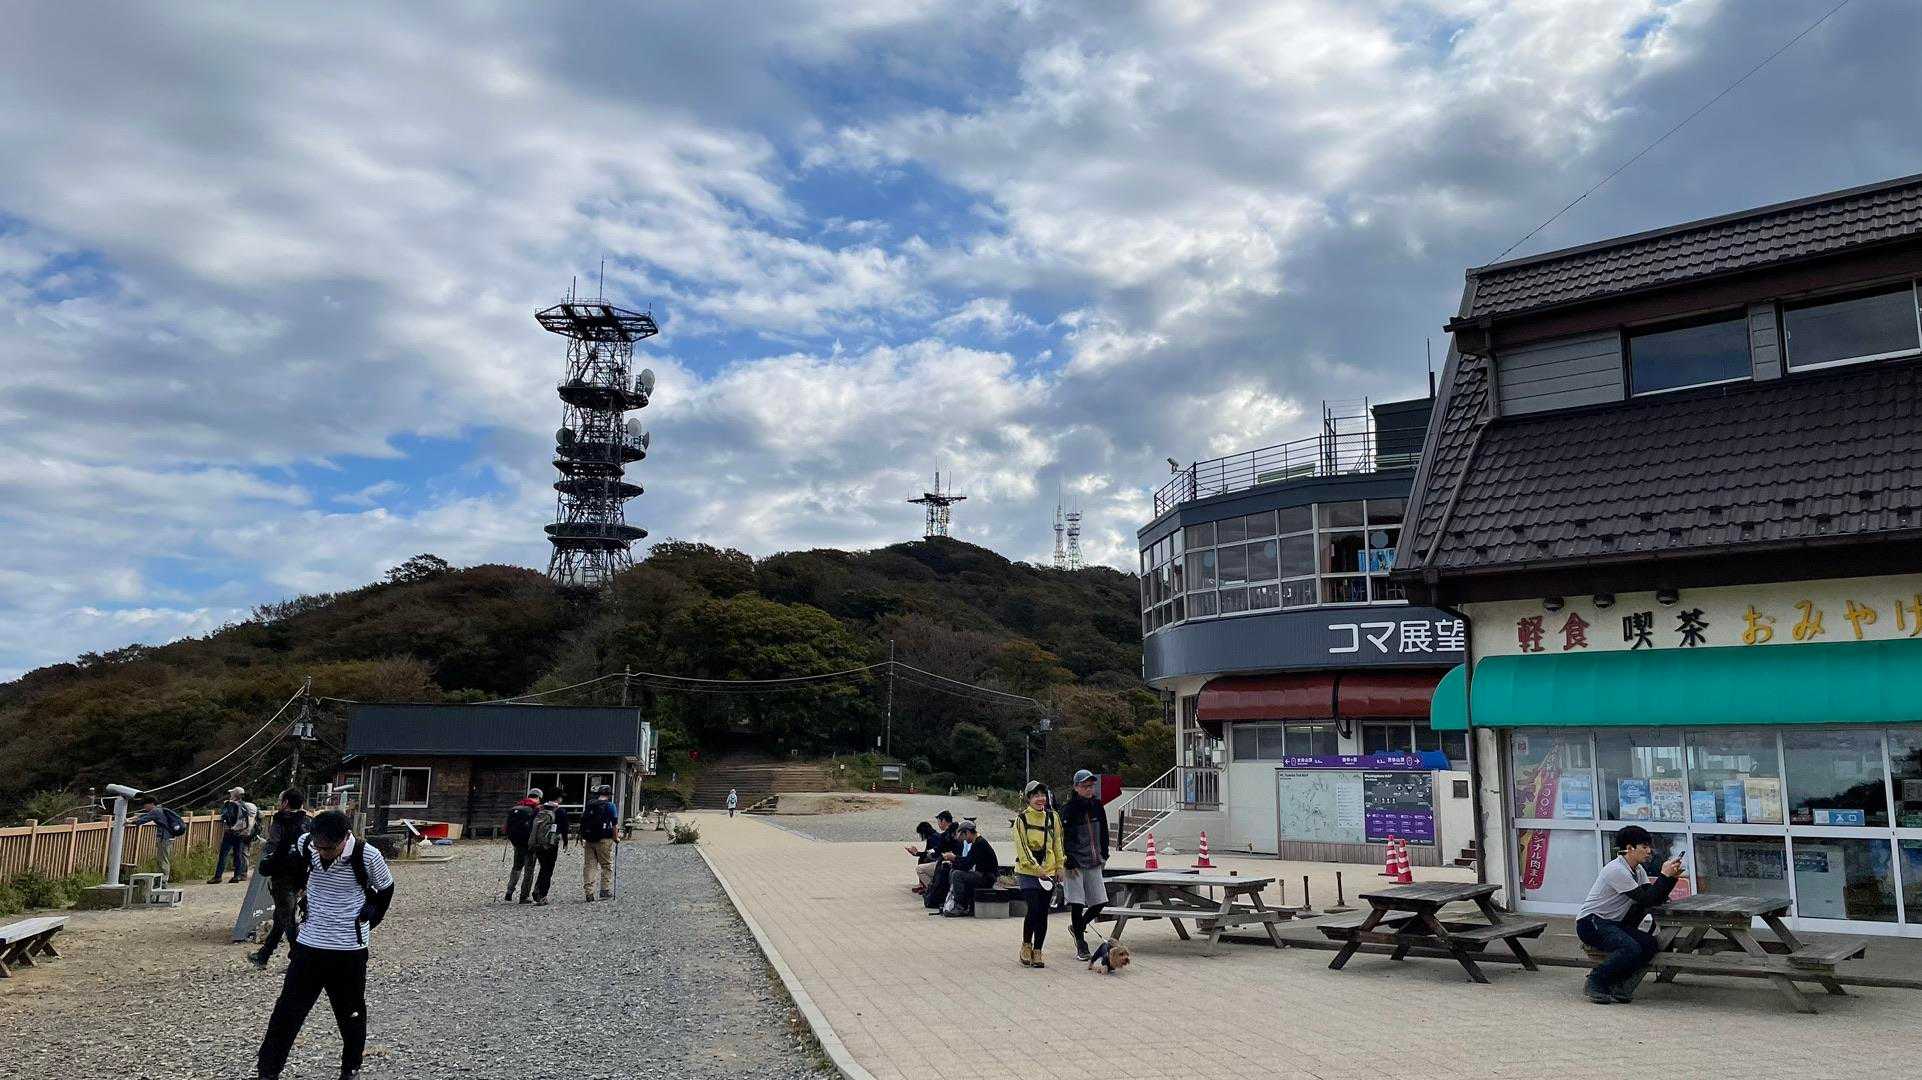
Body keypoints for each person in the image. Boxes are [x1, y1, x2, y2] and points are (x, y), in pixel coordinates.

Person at [251, 810, 394, 1080]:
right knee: (287, 1012)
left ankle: (350, 1069)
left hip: (349, 949)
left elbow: (386, 889)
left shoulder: (367, 856)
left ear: (345, 838)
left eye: (329, 848)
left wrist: (371, 917)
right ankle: (267, 1071)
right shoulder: (307, 844)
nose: (322, 853)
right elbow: (293, 859)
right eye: (319, 847)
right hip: (309, 945)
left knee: (350, 1014)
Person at [1577, 825, 1685, 1005]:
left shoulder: (1638, 870)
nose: (1649, 851)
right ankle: (1595, 981)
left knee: (1650, 944)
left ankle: (1619, 984)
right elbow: (1646, 899)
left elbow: (1654, 897)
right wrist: (1664, 876)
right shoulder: (1616, 870)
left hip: (1613, 924)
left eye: (1649, 846)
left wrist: (1671, 877)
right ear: (1630, 848)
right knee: (1630, 948)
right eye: (1644, 846)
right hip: (1591, 923)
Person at [251, 789, 311, 969]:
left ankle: (299, 959)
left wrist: (268, 859)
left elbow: (274, 847)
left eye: (280, 800)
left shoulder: (279, 821)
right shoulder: (308, 822)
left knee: (287, 918)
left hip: (282, 874)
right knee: (282, 916)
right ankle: (263, 955)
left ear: (285, 803)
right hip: (301, 874)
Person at [1011, 781, 1064, 968]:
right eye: (1035, 795)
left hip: (1048, 872)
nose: (1040, 799)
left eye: (1043, 795)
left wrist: (1060, 866)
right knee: (1033, 908)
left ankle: (1038, 950)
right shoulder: (1021, 820)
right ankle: (1026, 945)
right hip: (1027, 872)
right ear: (1028, 798)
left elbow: (1057, 842)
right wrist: (1036, 868)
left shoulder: (1053, 817)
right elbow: (1022, 848)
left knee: (1043, 912)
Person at [1060, 768, 1111, 960]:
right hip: (1074, 863)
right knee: (1077, 903)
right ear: (1076, 787)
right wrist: (1068, 859)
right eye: (1084, 786)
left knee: (1100, 901)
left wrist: (1104, 853)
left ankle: (1077, 927)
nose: (1089, 789)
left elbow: (1104, 831)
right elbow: (1062, 837)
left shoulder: (1097, 806)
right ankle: (1081, 944)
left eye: (1091, 786)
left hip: (1094, 860)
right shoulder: (1068, 809)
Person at [936, 819, 998, 917]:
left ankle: (961, 906)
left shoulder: (979, 844)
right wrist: (954, 860)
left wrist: (954, 858)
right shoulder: (977, 842)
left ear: (968, 833)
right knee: (954, 871)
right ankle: (953, 902)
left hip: (987, 878)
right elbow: (968, 861)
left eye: (963, 836)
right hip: (982, 875)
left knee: (957, 875)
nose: (964, 840)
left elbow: (967, 864)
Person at [129, 796, 185, 884]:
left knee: (163, 860)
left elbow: (144, 819)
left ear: (151, 804)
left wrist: (130, 822)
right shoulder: (160, 810)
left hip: (164, 838)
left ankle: (163, 881)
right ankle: (160, 879)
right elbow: (145, 815)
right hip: (167, 837)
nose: (144, 807)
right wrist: (135, 817)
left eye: (145, 805)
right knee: (161, 859)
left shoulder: (155, 811)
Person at [212, 787, 260, 884]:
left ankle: (218, 876)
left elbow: (224, 816)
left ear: (234, 794)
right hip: (241, 833)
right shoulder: (244, 805)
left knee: (223, 855)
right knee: (238, 855)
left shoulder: (230, 804)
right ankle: (237, 876)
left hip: (230, 832)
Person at [580, 785, 619, 902]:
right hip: (604, 839)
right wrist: (616, 838)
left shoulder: (590, 804)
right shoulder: (610, 806)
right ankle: (604, 890)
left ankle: (589, 892)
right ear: (609, 795)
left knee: (590, 865)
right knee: (606, 865)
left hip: (589, 839)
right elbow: (614, 824)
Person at [528, 793, 568, 905]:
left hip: (538, 843)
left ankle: (537, 889)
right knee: (548, 869)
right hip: (551, 844)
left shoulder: (539, 809)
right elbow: (565, 828)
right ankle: (542, 895)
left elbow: (531, 825)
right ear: (558, 798)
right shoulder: (560, 811)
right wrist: (565, 841)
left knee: (543, 867)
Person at [504, 788, 542, 903]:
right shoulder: (536, 809)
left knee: (516, 867)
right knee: (529, 870)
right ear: (539, 797)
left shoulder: (517, 807)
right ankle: (524, 896)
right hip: (529, 844)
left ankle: (509, 892)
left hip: (517, 843)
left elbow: (506, 828)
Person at [916, 811, 960, 893]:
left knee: (920, 869)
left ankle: (933, 889)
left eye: (939, 822)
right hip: (954, 861)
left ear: (943, 821)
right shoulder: (956, 830)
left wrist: (921, 854)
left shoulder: (946, 835)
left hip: (947, 862)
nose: (938, 824)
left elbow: (937, 850)